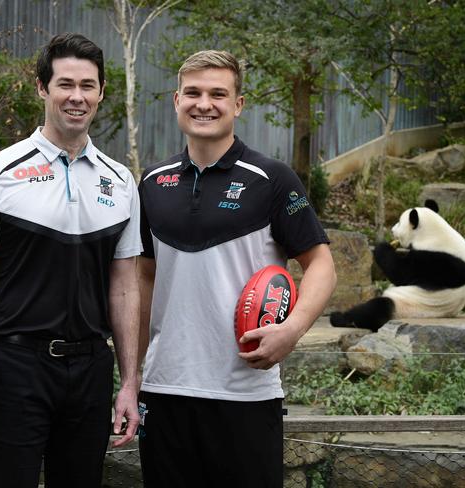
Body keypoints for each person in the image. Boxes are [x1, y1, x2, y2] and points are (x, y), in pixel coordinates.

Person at [0, 33, 142, 488]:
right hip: (13, 368)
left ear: (101, 92)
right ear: (42, 88)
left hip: (91, 369)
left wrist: (129, 382)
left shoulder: (121, 181)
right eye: (65, 84)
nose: (77, 97)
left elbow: (126, 286)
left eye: (88, 86)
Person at [137, 50, 337, 488]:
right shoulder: (152, 182)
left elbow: (321, 265)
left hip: (244, 391)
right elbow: (144, 279)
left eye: (217, 94)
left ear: (238, 105)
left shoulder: (273, 179)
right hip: (165, 388)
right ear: (176, 100)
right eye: (193, 92)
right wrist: (132, 375)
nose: (203, 103)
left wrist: (293, 329)